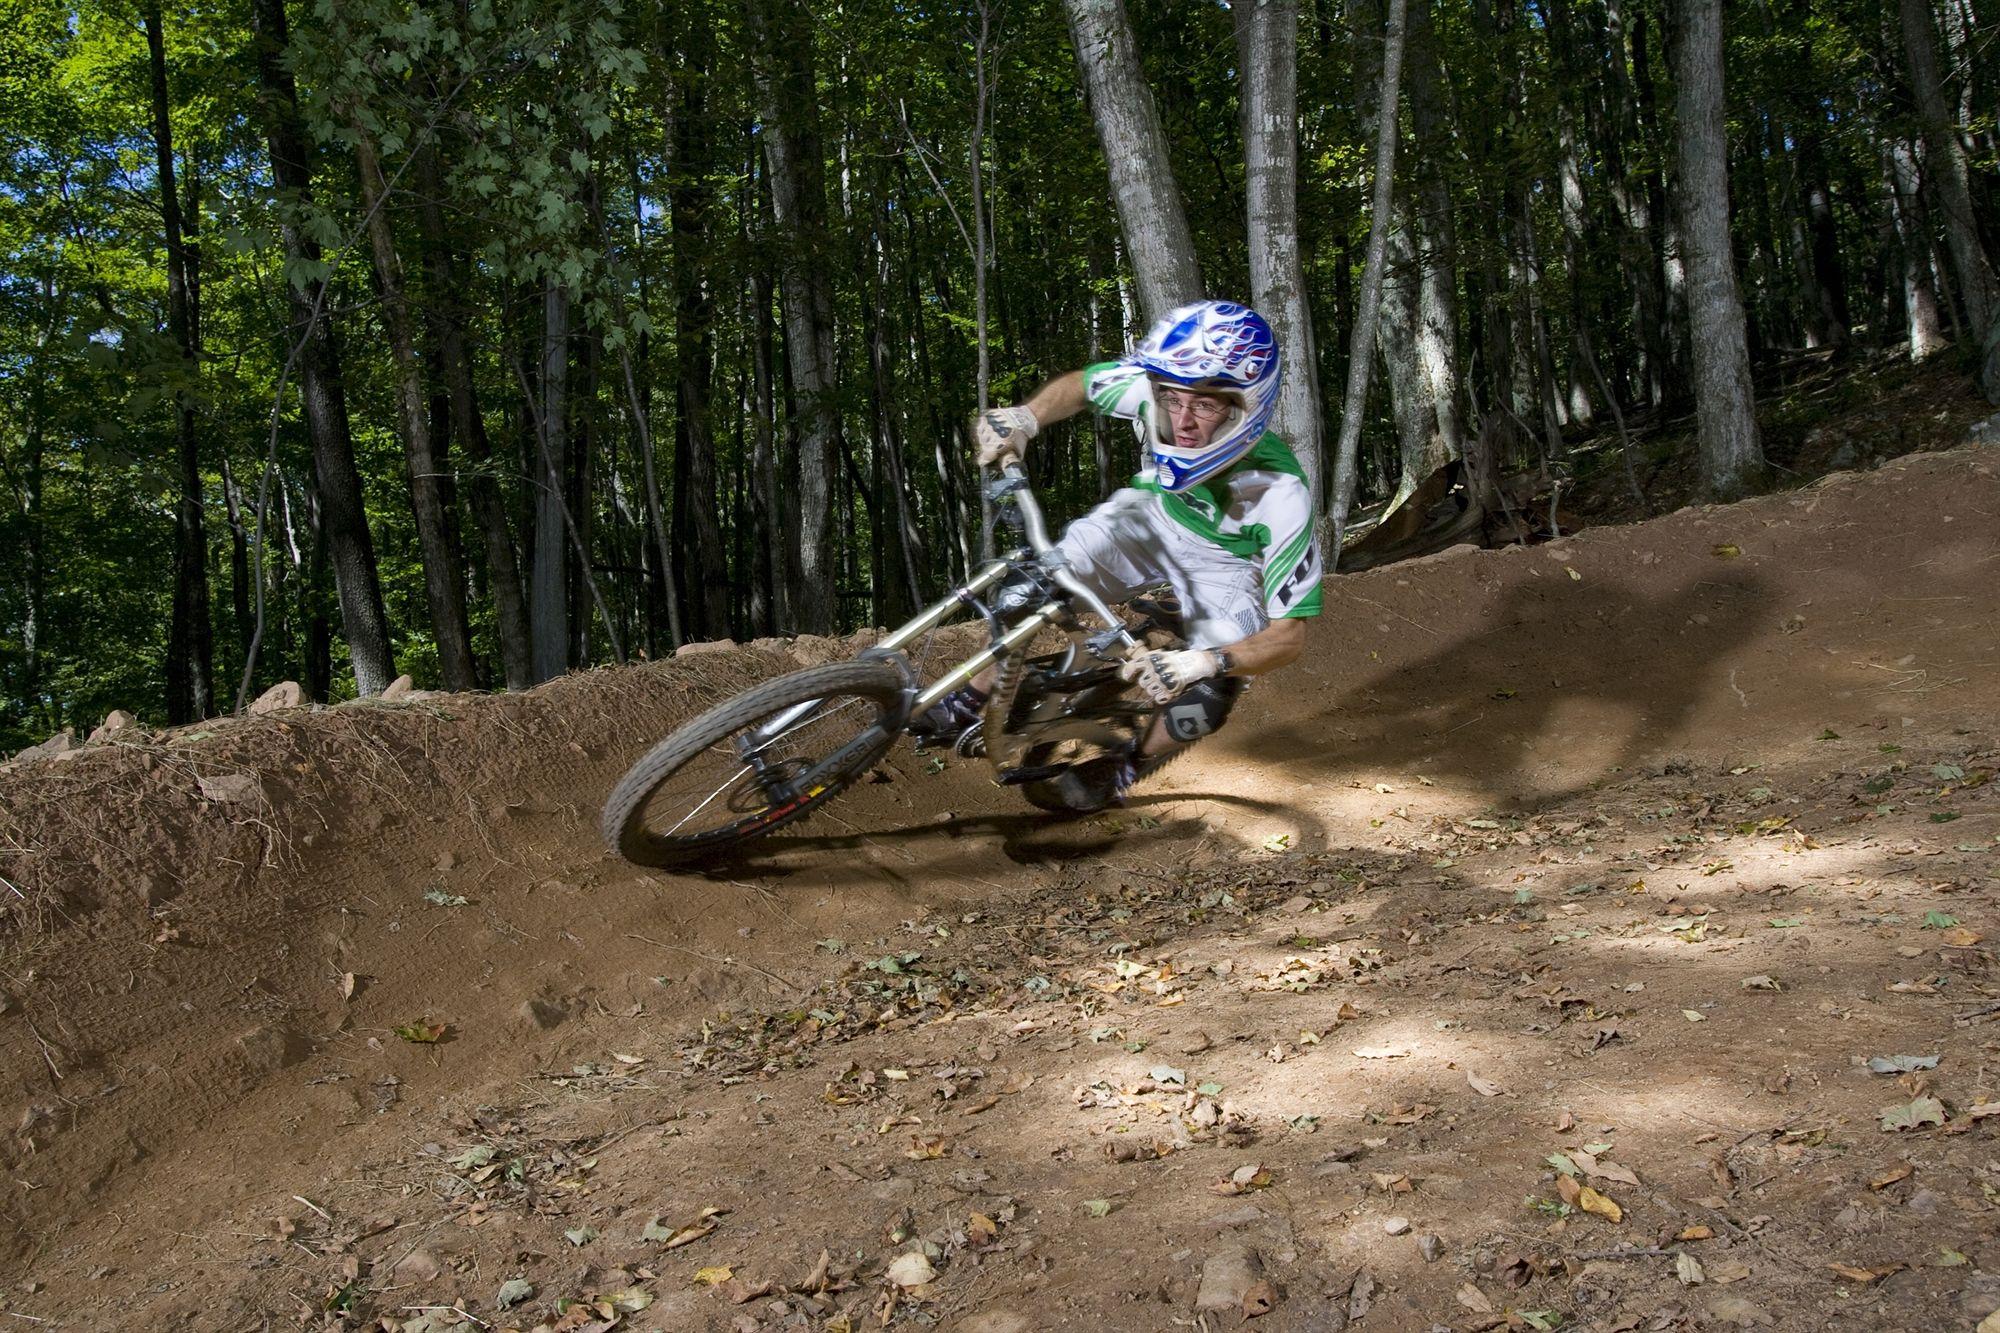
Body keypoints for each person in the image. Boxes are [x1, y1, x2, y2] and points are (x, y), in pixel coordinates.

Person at [914, 299, 1323, 804]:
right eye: (1172, 399)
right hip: (1151, 515)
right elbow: (1082, 386)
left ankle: (1130, 765)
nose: (1183, 419)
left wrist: (1207, 663)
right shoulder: (1157, 390)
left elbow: (1288, 637)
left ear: (1246, 405)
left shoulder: (1281, 493)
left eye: (1206, 405)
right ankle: (972, 697)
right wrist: (1025, 417)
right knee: (1034, 585)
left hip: (1226, 562)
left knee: (1208, 698)